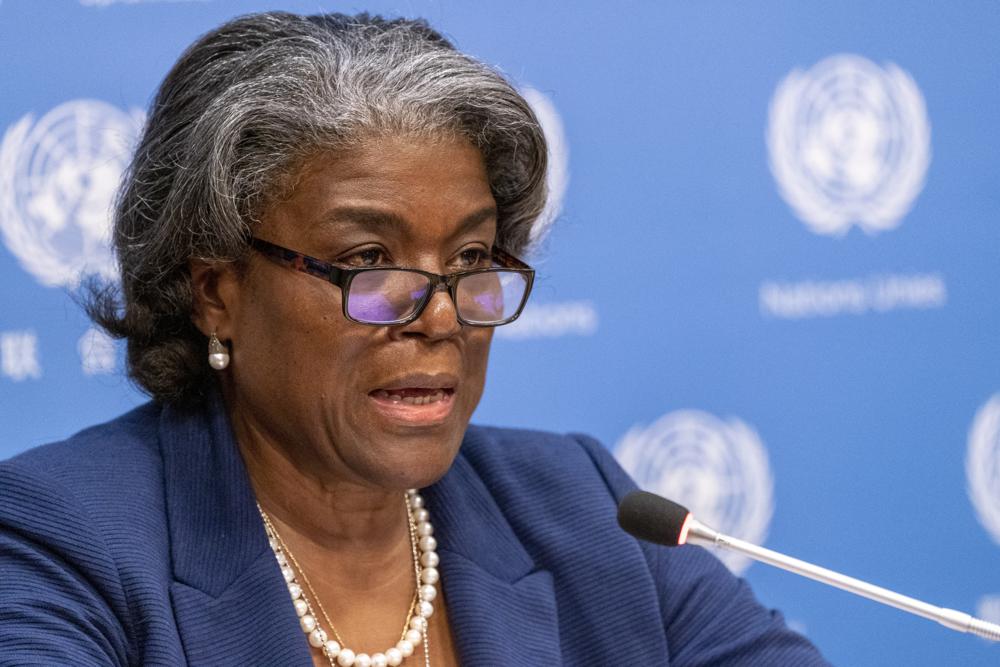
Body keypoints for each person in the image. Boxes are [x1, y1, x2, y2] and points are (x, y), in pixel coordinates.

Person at [0, 11, 830, 667]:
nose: (440, 316)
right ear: (216, 291)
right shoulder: (61, 540)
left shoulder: (579, 505)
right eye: (368, 260)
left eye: (470, 256)